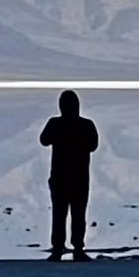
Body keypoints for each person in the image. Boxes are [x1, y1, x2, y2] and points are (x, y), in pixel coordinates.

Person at [39, 90, 99, 262]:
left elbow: (44, 140)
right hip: (79, 177)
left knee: (60, 214)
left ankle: (59, 249)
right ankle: (77, 249)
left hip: (60, 177)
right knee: (78, 214)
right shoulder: (86, 125)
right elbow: (93, 145)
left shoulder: (56, 123)